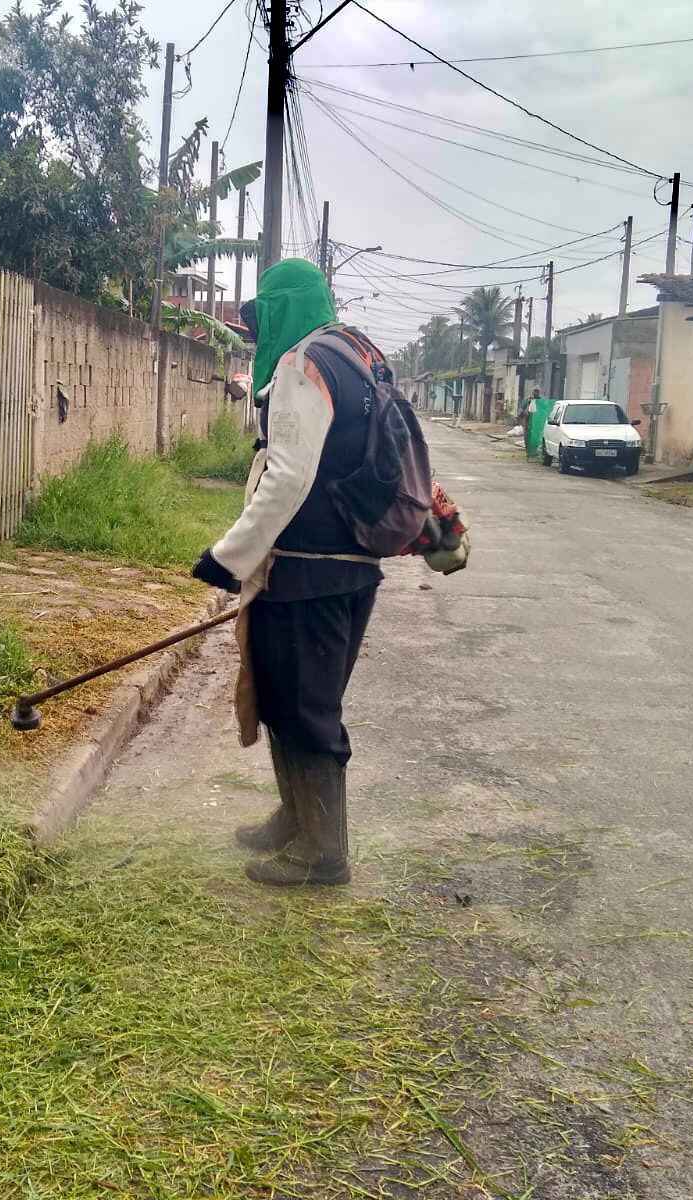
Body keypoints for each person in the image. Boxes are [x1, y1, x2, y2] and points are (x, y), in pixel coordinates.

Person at [190, 258, 383, 888]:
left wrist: (227, 557)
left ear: (285, 308)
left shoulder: (304, 364)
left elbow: (289, 476)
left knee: (305, 706)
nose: (257, 329)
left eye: (262, 314)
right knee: (284, 694)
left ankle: (323, 851)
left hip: (306, 570)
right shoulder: (358, 354)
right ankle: (297, 817)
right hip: (349, 567)